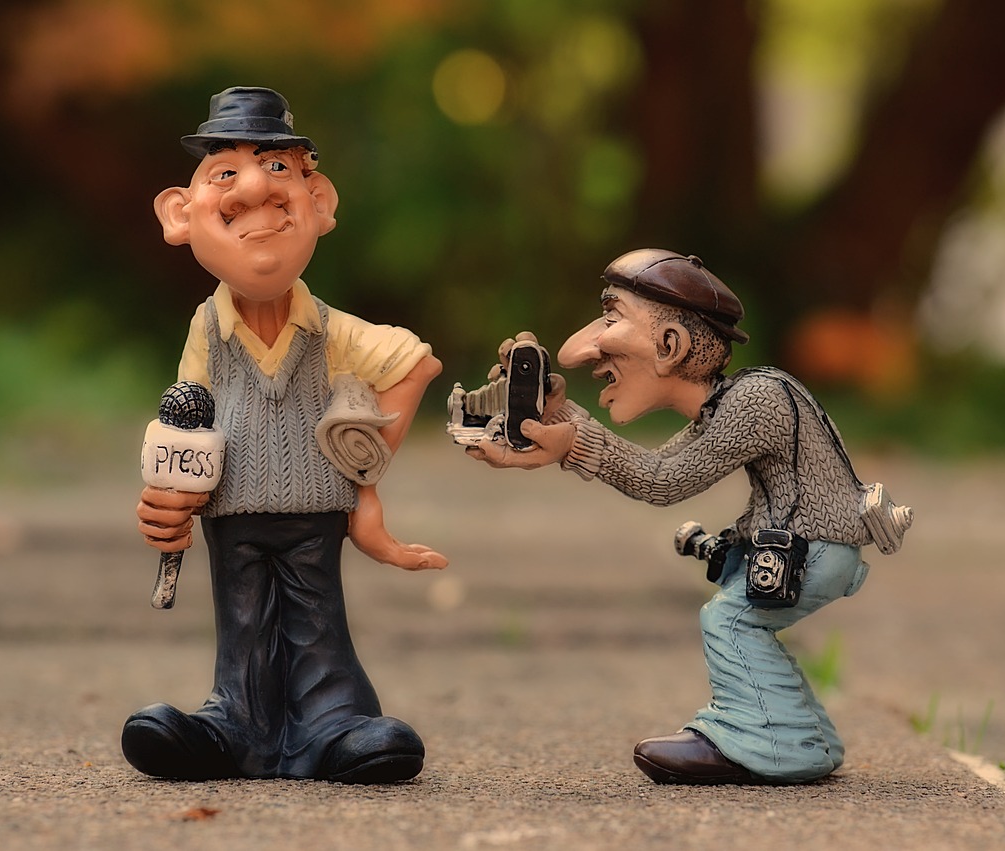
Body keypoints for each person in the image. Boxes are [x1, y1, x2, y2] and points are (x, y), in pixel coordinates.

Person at [467, 248, 907, 785]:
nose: (580, 350)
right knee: (749, 626)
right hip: (809, 545)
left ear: (670, 345)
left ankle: (766, 742)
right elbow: (656, 465)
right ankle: (806, 738)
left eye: (610, 318)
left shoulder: (756, 402)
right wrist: (560, 418)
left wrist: (572, 443)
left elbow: (663, 481)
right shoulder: (735, 400)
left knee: (730, 621)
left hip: (814, 548)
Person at [124, 86, 446, 784]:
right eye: (225, 176)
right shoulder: (207, 330)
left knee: (315, 618)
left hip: (313, 514)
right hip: (231, 513)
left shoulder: (331, 331)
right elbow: (186, 418)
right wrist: (167, 497)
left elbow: (414, 363)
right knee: (242, 624)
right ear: (180, 215)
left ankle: (333, 723)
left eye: (278, 171)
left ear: (318, 203)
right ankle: (233, 726)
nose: (255, 194)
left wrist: (361, 474)